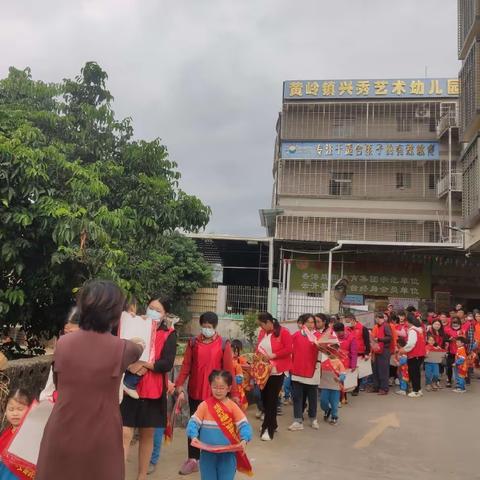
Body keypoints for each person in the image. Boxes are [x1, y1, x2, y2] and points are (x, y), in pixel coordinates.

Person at [36, 280, 144, 480]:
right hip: (101, 435)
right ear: (116, 312)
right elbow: (140, 346)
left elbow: (60, 383)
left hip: (62, 430)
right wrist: (135, 322)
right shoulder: (124, 348)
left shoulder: (63, 343)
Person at [175, 312, 236, 475]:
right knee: (194, 425)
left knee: (214, 427)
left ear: (215, 327)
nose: (206, 329)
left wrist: (234, 394)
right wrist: (179, 384)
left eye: (209, 327)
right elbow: (186, 365)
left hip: (216, 393)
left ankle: (214, 458)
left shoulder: (223, 344)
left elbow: (229, 370)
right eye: (204, 326)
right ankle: (193, 459)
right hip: (195, 391)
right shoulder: (193, 343)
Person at [186, 370, 253, 480]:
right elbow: (193, 422)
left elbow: (244, 425)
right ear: (210, 386)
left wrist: (244, 439)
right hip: (207, 453)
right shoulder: (204, 405)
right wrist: (193, 435)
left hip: (228, 453)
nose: (218, 391)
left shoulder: (233, 407)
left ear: (229, 388)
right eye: (215, 387)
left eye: (222, 388)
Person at [256, 312, 292, 441]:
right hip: (264, 370)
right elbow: (258, 349)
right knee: (265, 399)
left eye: (262, 325)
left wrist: (273, 355)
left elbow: (289, 349)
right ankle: (273, 423)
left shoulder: (284, 332)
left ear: (269, 322)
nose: (261, 328)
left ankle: (268, 428)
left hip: (277, 370)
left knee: (271, 400)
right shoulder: (262, 333)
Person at [40, 307, 80, 402]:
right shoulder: (59, 358)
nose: (68, 339)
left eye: (73, 334)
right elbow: (48, 392)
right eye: (65, 334)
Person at [289, 314, 321, 432]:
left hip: (313, 370)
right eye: (308, 322)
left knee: (312, 397)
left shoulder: (318, 337)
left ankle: (313, 418)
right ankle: (297, 420)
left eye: (313, 322)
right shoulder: (296, 335)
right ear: (302, 323)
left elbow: (326, 352)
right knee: (297, 397)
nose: (311, 325)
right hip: (297, 370)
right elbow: (289, 350)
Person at [0, 389, 35, 479]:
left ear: (30, 409)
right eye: (11, 409)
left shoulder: (32, 434)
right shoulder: (6, 433)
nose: (15, 413)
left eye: (20, 409)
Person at [398, 313, 425, 398]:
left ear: (408, 322)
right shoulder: (419, 330)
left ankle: (415, 391)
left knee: (413, 373)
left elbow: (411, 344)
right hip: (420, 354)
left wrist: (403, 350)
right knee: (416, 373)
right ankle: (418, 390)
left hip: (414, 355)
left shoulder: (412, 331)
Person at [319, 344, 346, 426]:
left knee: (334, 403)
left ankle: (334, 417)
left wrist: (339, 378)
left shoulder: (339, 362)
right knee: (323, 401)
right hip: (325, 385)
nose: (331, 353)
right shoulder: (323, 362)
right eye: (330, 351)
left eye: (333, 351)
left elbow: (343, 374)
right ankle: (327, 409)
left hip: (335, 386)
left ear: (337, 352)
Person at [333, 322, 357, 404]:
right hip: (334, 361)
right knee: (335, 380)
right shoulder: (333, 336)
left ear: (343, 330)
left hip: (345, 361)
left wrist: (353, 365)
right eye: (336, 332)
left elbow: (354, 352)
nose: (338, 334)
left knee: (342, 380)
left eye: (339, 332)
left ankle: (342, 397)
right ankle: (338, 398)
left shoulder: (351, 337)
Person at [346, 314, 370, 396]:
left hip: (360, 353)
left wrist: (367, 353)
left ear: (353, 320)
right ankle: (350, 387)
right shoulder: (347, 329)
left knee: (358, 372)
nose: (347, 323)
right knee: (350, 371)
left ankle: (356, 389)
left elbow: (367, 341)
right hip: (349, 353)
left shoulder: (363, 328)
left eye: (348, 321)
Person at [370, 312, 392, 395]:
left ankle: (384, 388)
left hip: (384, 350)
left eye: (377, 318)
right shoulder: (379, 326)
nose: (376, 320)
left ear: (380, 318)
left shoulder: (385, 325)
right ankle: (376, 386)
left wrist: (379, 339)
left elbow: (389, 337)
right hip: (377, 350)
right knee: (375, 370)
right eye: (376, 318)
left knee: (383, 370)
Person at [231, 340, 249, 412]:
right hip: (229, 386)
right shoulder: (227, 361)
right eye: (232, 351)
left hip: (238, 387)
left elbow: (239, 379)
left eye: (236, 351)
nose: (234, 353)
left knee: (239, 402)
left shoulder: (238, 362)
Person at [445, 317, 462, 388]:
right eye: (454, 322)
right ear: (451, 323)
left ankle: (459, 382)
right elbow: (445, 340)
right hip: (450, 351)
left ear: (459, 323)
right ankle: (449, 380)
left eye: (457, 322)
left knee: (459, 368)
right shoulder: (448, 330)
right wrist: (449, 339)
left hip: (459, 352)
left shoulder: (462, 330)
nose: (455, 324)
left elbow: (465, 340)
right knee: (449, 367)